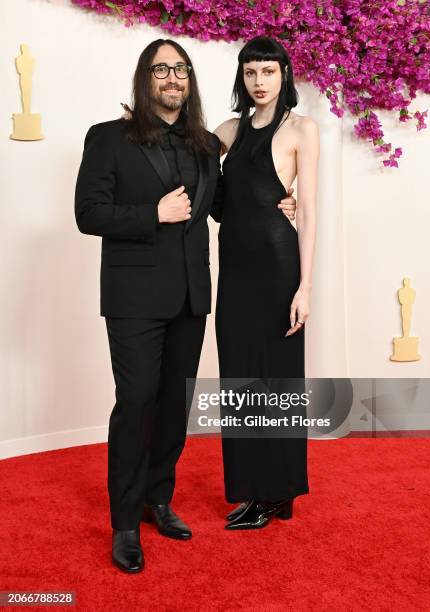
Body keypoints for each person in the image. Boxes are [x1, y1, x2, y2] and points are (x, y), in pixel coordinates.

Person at [75, 38, 297, 573]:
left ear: (190, 81)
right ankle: (125, 522)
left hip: (193, 297)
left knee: (174, 407)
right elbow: (89, 213)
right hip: (132, 300)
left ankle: (158, 501)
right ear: (144, 78)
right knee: (137, 402)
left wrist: (283, 201)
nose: (172, 78)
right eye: (161, 70)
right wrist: (152, 213)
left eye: (181, 69)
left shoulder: (202, 144)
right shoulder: (107, 138)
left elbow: (225, 204)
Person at [211, 36, 319, 529]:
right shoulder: (227, 131)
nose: (259, 82)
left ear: (284, 75)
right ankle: (256, 490)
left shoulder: (302, 129)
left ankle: (276, 492)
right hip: (233, 269)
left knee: (277, 381)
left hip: (278, 270)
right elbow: (191, 169)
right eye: (251, 72)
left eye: (268, 72)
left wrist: (306, 287)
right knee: (240, 379)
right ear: (242, 77)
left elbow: (311, 211)